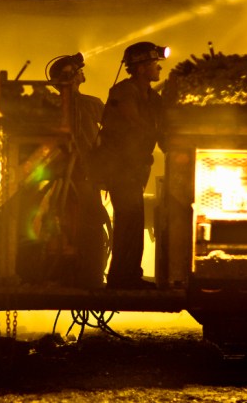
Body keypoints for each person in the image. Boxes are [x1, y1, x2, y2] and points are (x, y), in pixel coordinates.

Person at [99, 41, 169, 289]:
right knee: (128, 220)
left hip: (135, 168)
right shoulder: (122, 92)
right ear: (140, 68)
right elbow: (137, 123)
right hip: (120, 167)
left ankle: (127, 276)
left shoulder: (152, 97)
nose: (158, 69)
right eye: (153, 64)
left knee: (134, 221)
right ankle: (122, 278)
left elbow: (161, 127)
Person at [45, 53, 110, 288]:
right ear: (72, 78)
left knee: (61, 222)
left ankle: (61, 273)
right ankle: (90, 276)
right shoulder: (91, 105)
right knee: (92, 222)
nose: (83, 73)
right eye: (79, 70)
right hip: (84, 176)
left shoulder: (48, 106)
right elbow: (113, 132)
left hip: (57, 179)